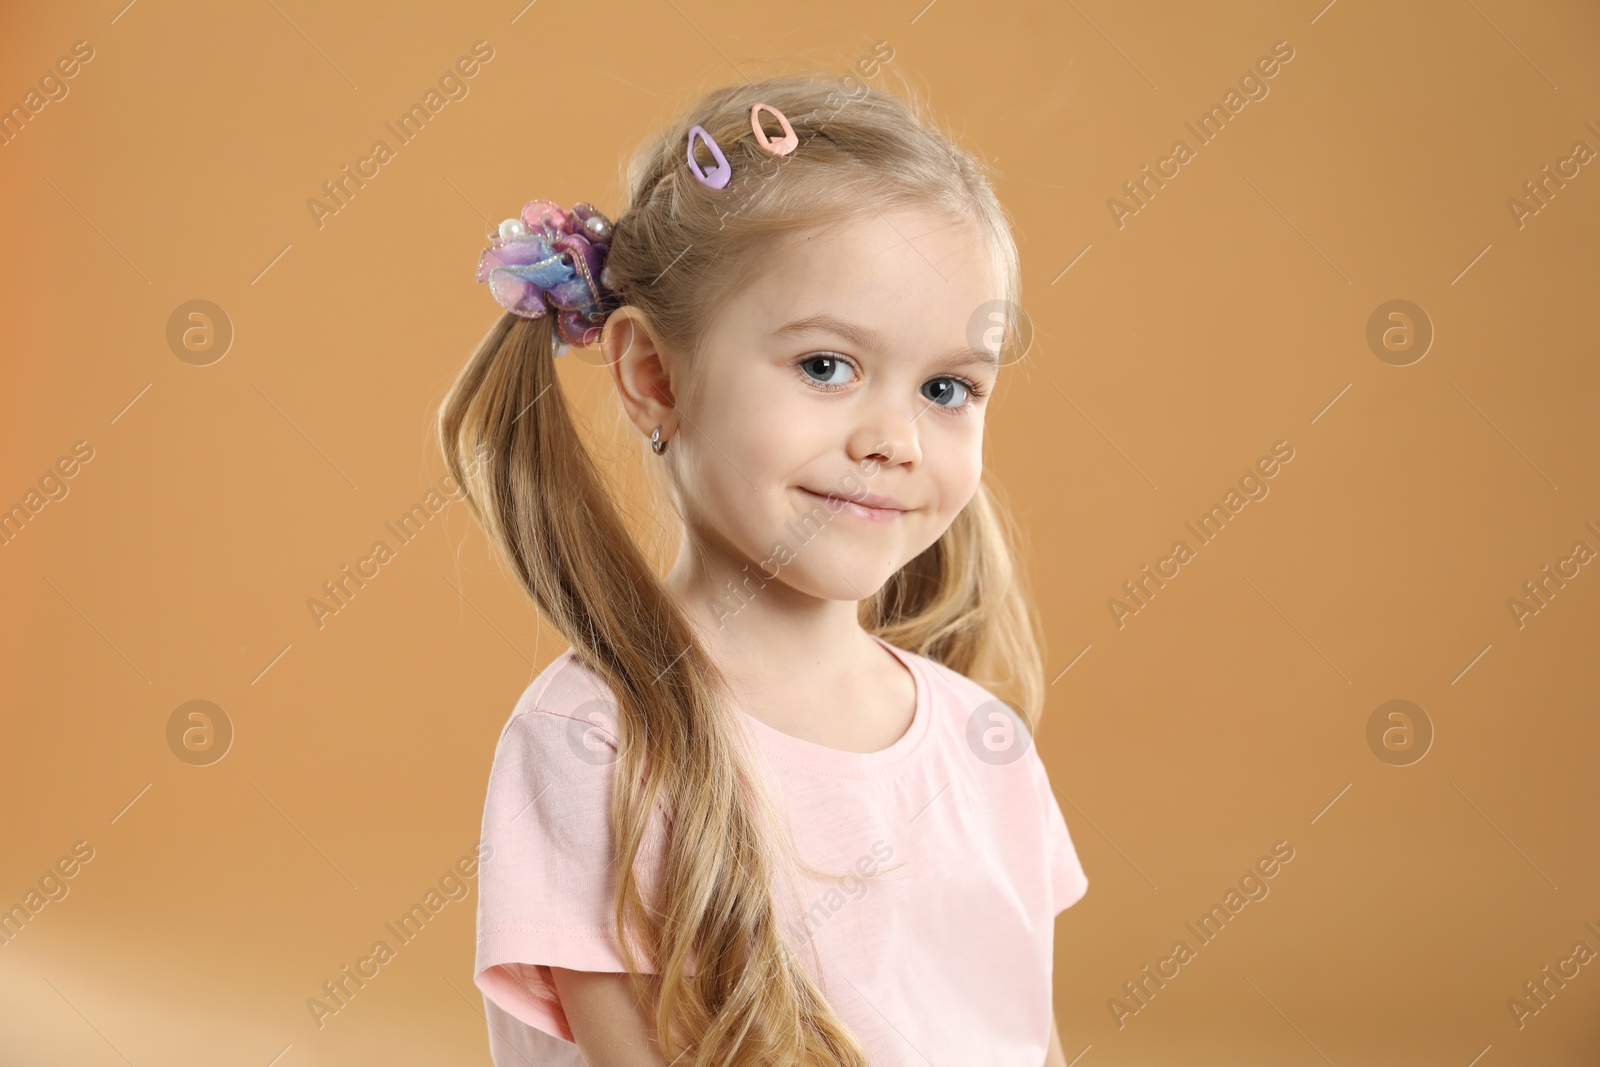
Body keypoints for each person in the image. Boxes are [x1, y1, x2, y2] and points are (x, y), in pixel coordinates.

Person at [437, 70, 1089, 1067]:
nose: (894, 439)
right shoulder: (594, 744)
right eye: (826, 366)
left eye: (947, 387)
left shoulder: (980, 740)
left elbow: (1027, 1037)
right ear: (654, 377)